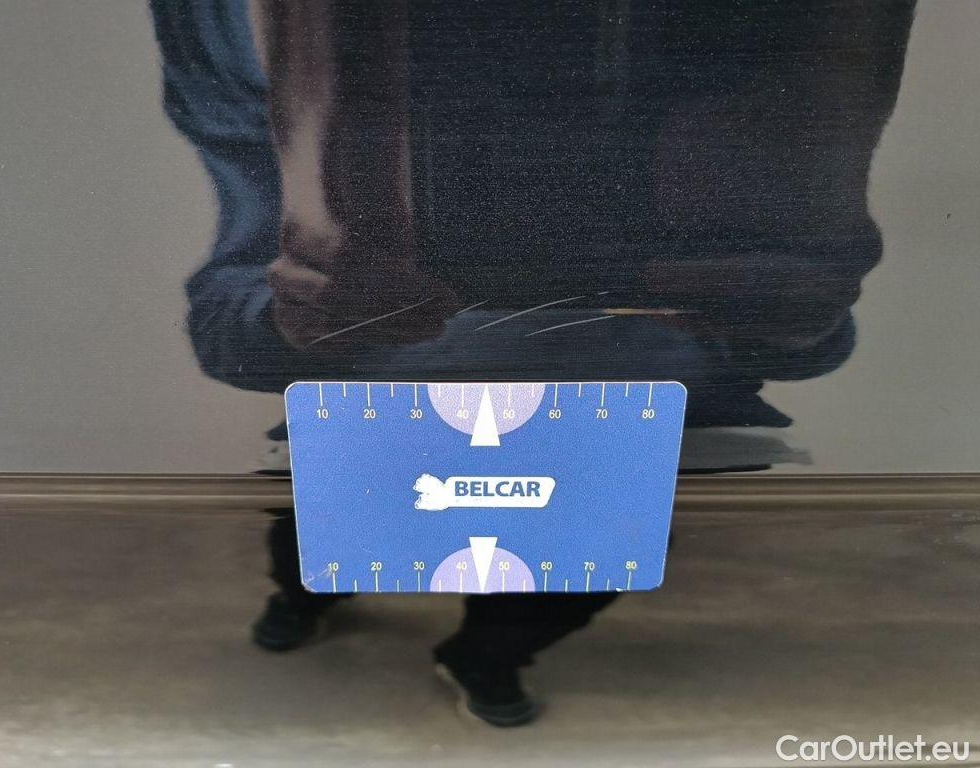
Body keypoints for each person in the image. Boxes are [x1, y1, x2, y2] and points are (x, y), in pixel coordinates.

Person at [150, 0, 914, 726]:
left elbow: (806, 318)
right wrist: (298, 309)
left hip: (608, 387)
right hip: (409, 384)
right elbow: (234, 308)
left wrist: (787, 311)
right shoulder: (249, 29)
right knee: (332, 535)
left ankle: (480, 653)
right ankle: (319, 599)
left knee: (563, 570)